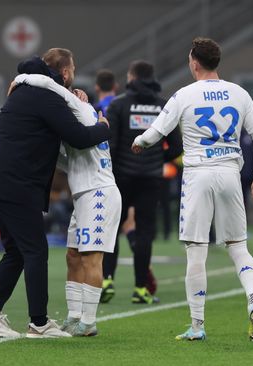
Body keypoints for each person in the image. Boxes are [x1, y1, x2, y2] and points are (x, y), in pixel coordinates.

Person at [132, 37, 253, 341]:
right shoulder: (239, 93)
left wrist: (139, 142)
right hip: (230, 174)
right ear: (216, 62)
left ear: (194, 62)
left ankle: (197, 326)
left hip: (198, 174)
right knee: (238, 247)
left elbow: (156, 132)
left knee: (196, 251)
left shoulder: (185, 94)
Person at [0, 48, 111, 338]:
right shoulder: (46, 96)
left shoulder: (23, 92)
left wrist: (75, 98)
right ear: (64, 73)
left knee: (16, 252)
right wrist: (103, 126)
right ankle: (39, 322)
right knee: (36, 250)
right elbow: (80, 137)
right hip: (16, 186)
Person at [13, 70, 121, 337]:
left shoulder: (83, 110)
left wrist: (22, 78)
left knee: (91, 258)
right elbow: (67, 161)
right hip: (83, 196)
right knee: (72, 256)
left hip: (99, 193)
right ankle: (74, 317)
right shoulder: (79, 129)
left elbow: (54, 87)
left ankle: (89, 321)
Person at [101, 60, 183, 304]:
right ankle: (140, 289)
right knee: (145, 232)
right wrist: (158, 156)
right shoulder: (163, 106)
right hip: (151, 178)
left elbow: (110, 145)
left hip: (121, 178)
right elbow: (176, 147)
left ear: (131, 77)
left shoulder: (118, 105)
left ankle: (106, 281)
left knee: (112, 229)